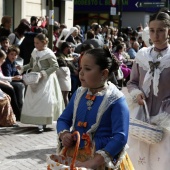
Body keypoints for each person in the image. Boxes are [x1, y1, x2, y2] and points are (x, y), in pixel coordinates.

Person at [57, 48, 132, 169]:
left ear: (104, 73)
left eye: (87, 69)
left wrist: (95, 161)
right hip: (75, 155)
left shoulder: (115, 99)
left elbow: (120, 137)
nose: (80, 73)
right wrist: (64, 134)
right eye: (80, 67)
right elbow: (63, 120)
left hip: (101, 161)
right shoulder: (79, 94)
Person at [126, 9, 170, 170]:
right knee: (139, 158)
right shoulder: (142, 55)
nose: (156, 35)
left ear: (168, 31)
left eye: (160, 30)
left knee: (163, 160)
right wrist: (137, 94)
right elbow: (132, 82)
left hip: (166, 120)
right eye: (152, 30)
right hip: (141, 119)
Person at [17, 33, 65, 132]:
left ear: (44, 43)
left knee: (44, 100)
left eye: (37, 43)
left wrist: (44, 73)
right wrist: (22, 68)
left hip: (46, 80)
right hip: (35, 79)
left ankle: (42, 122)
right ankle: (36, 120)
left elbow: (55, 66)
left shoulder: (49, 53)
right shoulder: (34, 52)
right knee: (33, 100)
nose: (35, 45)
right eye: (35, 43)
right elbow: (31, 65)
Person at [1, 46, 25, 111]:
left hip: (11, 80)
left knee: (22, 84)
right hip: (6, 81)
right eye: (11, 54)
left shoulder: (13, 63)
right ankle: (18, 109)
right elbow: (7, 76)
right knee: (19, 86)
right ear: (8, 54)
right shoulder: (6, 63)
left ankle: (21, 106)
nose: (13, 56)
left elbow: (16, 73)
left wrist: (21, 77)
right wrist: (15, 78)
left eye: (15, 55)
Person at [0, 49, 22, 121]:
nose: (4, 61)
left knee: (17, 87)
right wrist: (12, 79)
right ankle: (17, 113)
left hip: (3, 82)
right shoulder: (6, 64)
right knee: (11, 90)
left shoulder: (12, 64)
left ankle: (18, 110)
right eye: (3, 59)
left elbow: (2, 77)